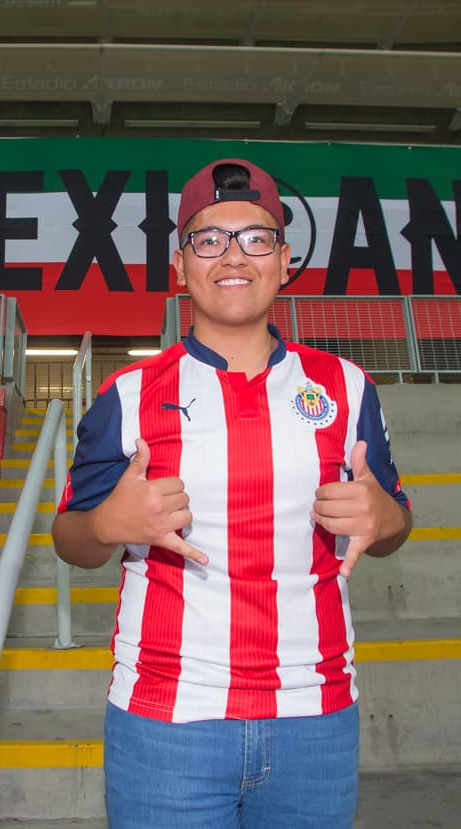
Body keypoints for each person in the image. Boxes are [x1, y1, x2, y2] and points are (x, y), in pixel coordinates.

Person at [51, 158, 413, 828]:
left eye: (255, 238)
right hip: (166, 721)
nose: (233, 256)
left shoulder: (347, 387)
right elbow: (70, 538)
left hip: (316, 716)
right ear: (181, 266)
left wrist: (385, 514)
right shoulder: (126, 396)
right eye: (209, 239)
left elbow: (391, 523)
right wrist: (106, 523)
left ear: (284, 260)